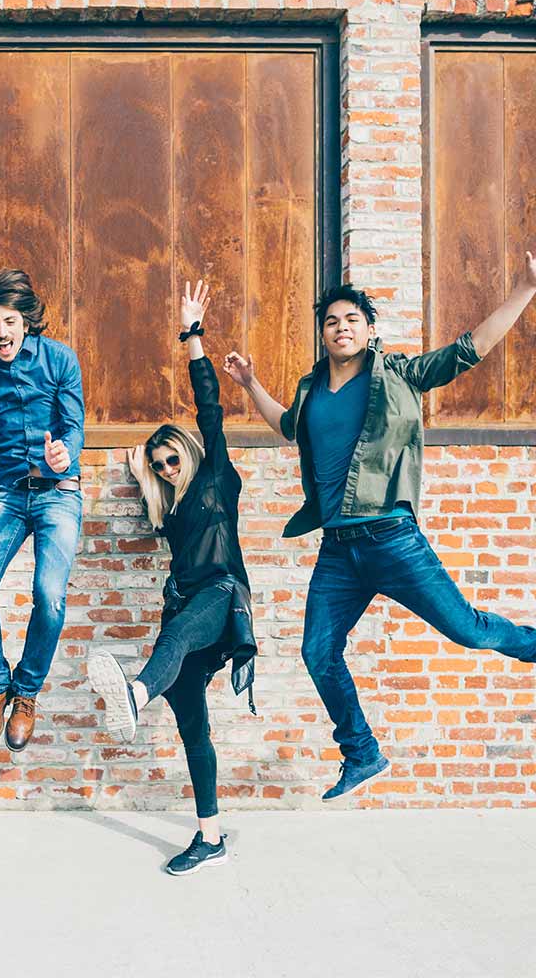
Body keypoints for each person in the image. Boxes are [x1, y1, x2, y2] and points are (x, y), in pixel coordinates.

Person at [223, 252, 536, 800]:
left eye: (351, 319)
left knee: (467, 630)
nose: (341, 328)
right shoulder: (311, 387)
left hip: (392, 538)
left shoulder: (399, 374)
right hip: (339, 550)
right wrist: (251, 385)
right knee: (318, 651)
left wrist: (524, 291)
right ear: (322, 334)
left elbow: (469, 351)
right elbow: (290, 428)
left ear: (369, 329)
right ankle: (362, 753)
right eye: (331, 321)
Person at [87, 280, 256, 876]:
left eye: (171, 457)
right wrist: (142, 479)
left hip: (220, 596)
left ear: (188, 450)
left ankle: (133, 695)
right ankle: (210, 837)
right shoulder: (173, 509)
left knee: (178, 637)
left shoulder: (217, 479)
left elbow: (209, 404)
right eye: (159, 464)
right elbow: (158, 497)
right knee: (191, 721)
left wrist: (192, 337)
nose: (166, 465)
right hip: (184, 600)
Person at [0, 269, 85, 752]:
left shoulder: (59, 359)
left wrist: (64, 453)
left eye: (9, 321)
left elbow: (74, 427)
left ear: (26, 321)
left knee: (48, 594)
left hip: (59, 491)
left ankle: (26, 692)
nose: (1, 333)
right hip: (7, 491)